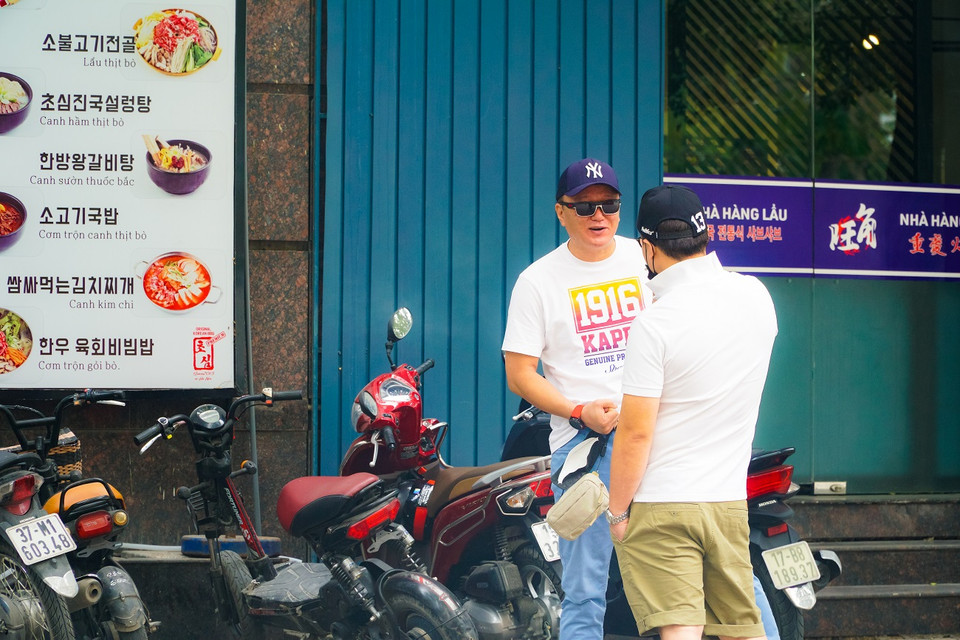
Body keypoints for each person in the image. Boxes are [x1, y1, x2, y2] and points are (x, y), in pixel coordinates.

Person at [607, 183, 778, 640]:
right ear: (706, 235)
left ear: (647, 247)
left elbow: (635, 434)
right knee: (742, 629)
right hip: (727, 500)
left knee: (681, 628)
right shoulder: (756, 296)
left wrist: (617, 513)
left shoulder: (654, 324)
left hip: (663, 502)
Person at [502, 157, 648, 640]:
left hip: (656, 437)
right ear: (561, 212)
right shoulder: (538, 281)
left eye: (609, 204)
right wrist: (578, 410)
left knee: (699, 571)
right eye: (584, 207)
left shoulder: (646, 259)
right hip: (587, 449)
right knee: (585, 592)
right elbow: (519, 374)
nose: (598, 216)